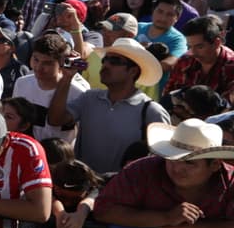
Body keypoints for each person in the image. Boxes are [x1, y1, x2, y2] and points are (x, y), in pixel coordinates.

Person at [94, 118, 234, 228]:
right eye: (172, 158)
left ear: (215, 164)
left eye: (189, 163)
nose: (177, 168)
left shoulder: (231, 181)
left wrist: (181, 225)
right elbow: (103, 210)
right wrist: (166, 217)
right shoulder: (142, 170)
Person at [47, 38, 170, 176]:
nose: (105, 65)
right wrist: (66, 78)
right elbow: (55, 120)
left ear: (133, 71)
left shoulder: (152, 112)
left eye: (115, 61)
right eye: (105, 60)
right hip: (82, 187)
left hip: (123, 192)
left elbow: (162, 163)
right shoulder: (89, 98)